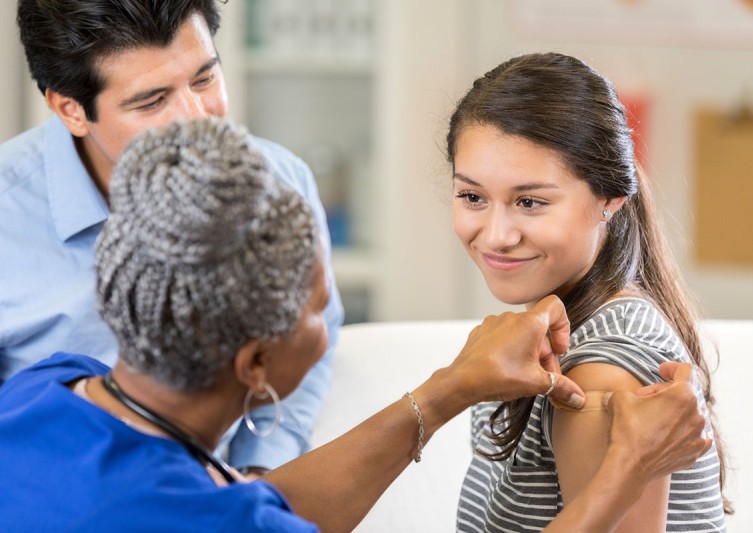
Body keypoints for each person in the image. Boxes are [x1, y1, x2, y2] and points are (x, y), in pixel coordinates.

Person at [0, 117, 712, 532]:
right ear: (256, 364)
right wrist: (626, 467)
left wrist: (447, 390)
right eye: (317, 305)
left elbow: (255, 502)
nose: (329, 316)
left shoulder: (46, 390)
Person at [0, 0, 344, 473]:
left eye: (205, 78)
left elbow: (306, 340)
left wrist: (261, 472)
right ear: (70, 109)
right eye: (152, 101)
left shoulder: (278, 180)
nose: (197, 118)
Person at [448, 52, 728, 532]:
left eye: (530, 202)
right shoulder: (565, 329)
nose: (496, 235)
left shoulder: (598, 374)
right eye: (473, 197)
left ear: (610, 200)